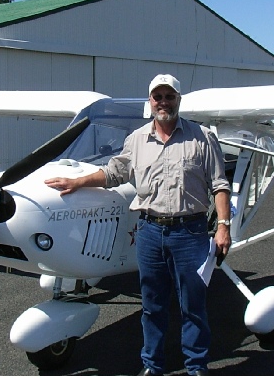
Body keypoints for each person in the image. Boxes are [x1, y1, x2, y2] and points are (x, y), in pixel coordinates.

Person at [44, 74, 232, 376]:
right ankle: (152, 365)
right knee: (152, 305)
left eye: (169, 96)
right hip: (149, 231)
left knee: (193, 305)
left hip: (190, 232)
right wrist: (78, 182)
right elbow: (113, 173)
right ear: (150, 101)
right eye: (158, 97)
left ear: (178, 100)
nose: (163, 102)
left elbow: (220, 185)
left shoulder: (203, 137)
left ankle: (196, 366)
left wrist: (223, 226)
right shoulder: (136, 140)